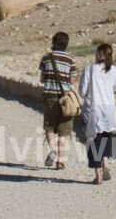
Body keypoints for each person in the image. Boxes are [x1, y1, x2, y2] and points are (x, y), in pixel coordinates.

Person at [77, 42, 116, 185]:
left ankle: (98, 175)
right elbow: (115, 87)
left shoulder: (89, 69)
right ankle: (106, 164)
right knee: (105, 137)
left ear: (99, 54)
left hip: (93, 110)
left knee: (93, 141)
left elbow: (82, 92)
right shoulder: (115, 70)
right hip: (109, 109)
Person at [38, 31, 77, 169]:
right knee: (63, 131)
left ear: (54, 42)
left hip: (50, 97)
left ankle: (52, 150)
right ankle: (60, 161)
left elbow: (42, 79)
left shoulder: (46, 58)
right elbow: (72, 81)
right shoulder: (70, 59)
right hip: (65, 99)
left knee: (49, 126)